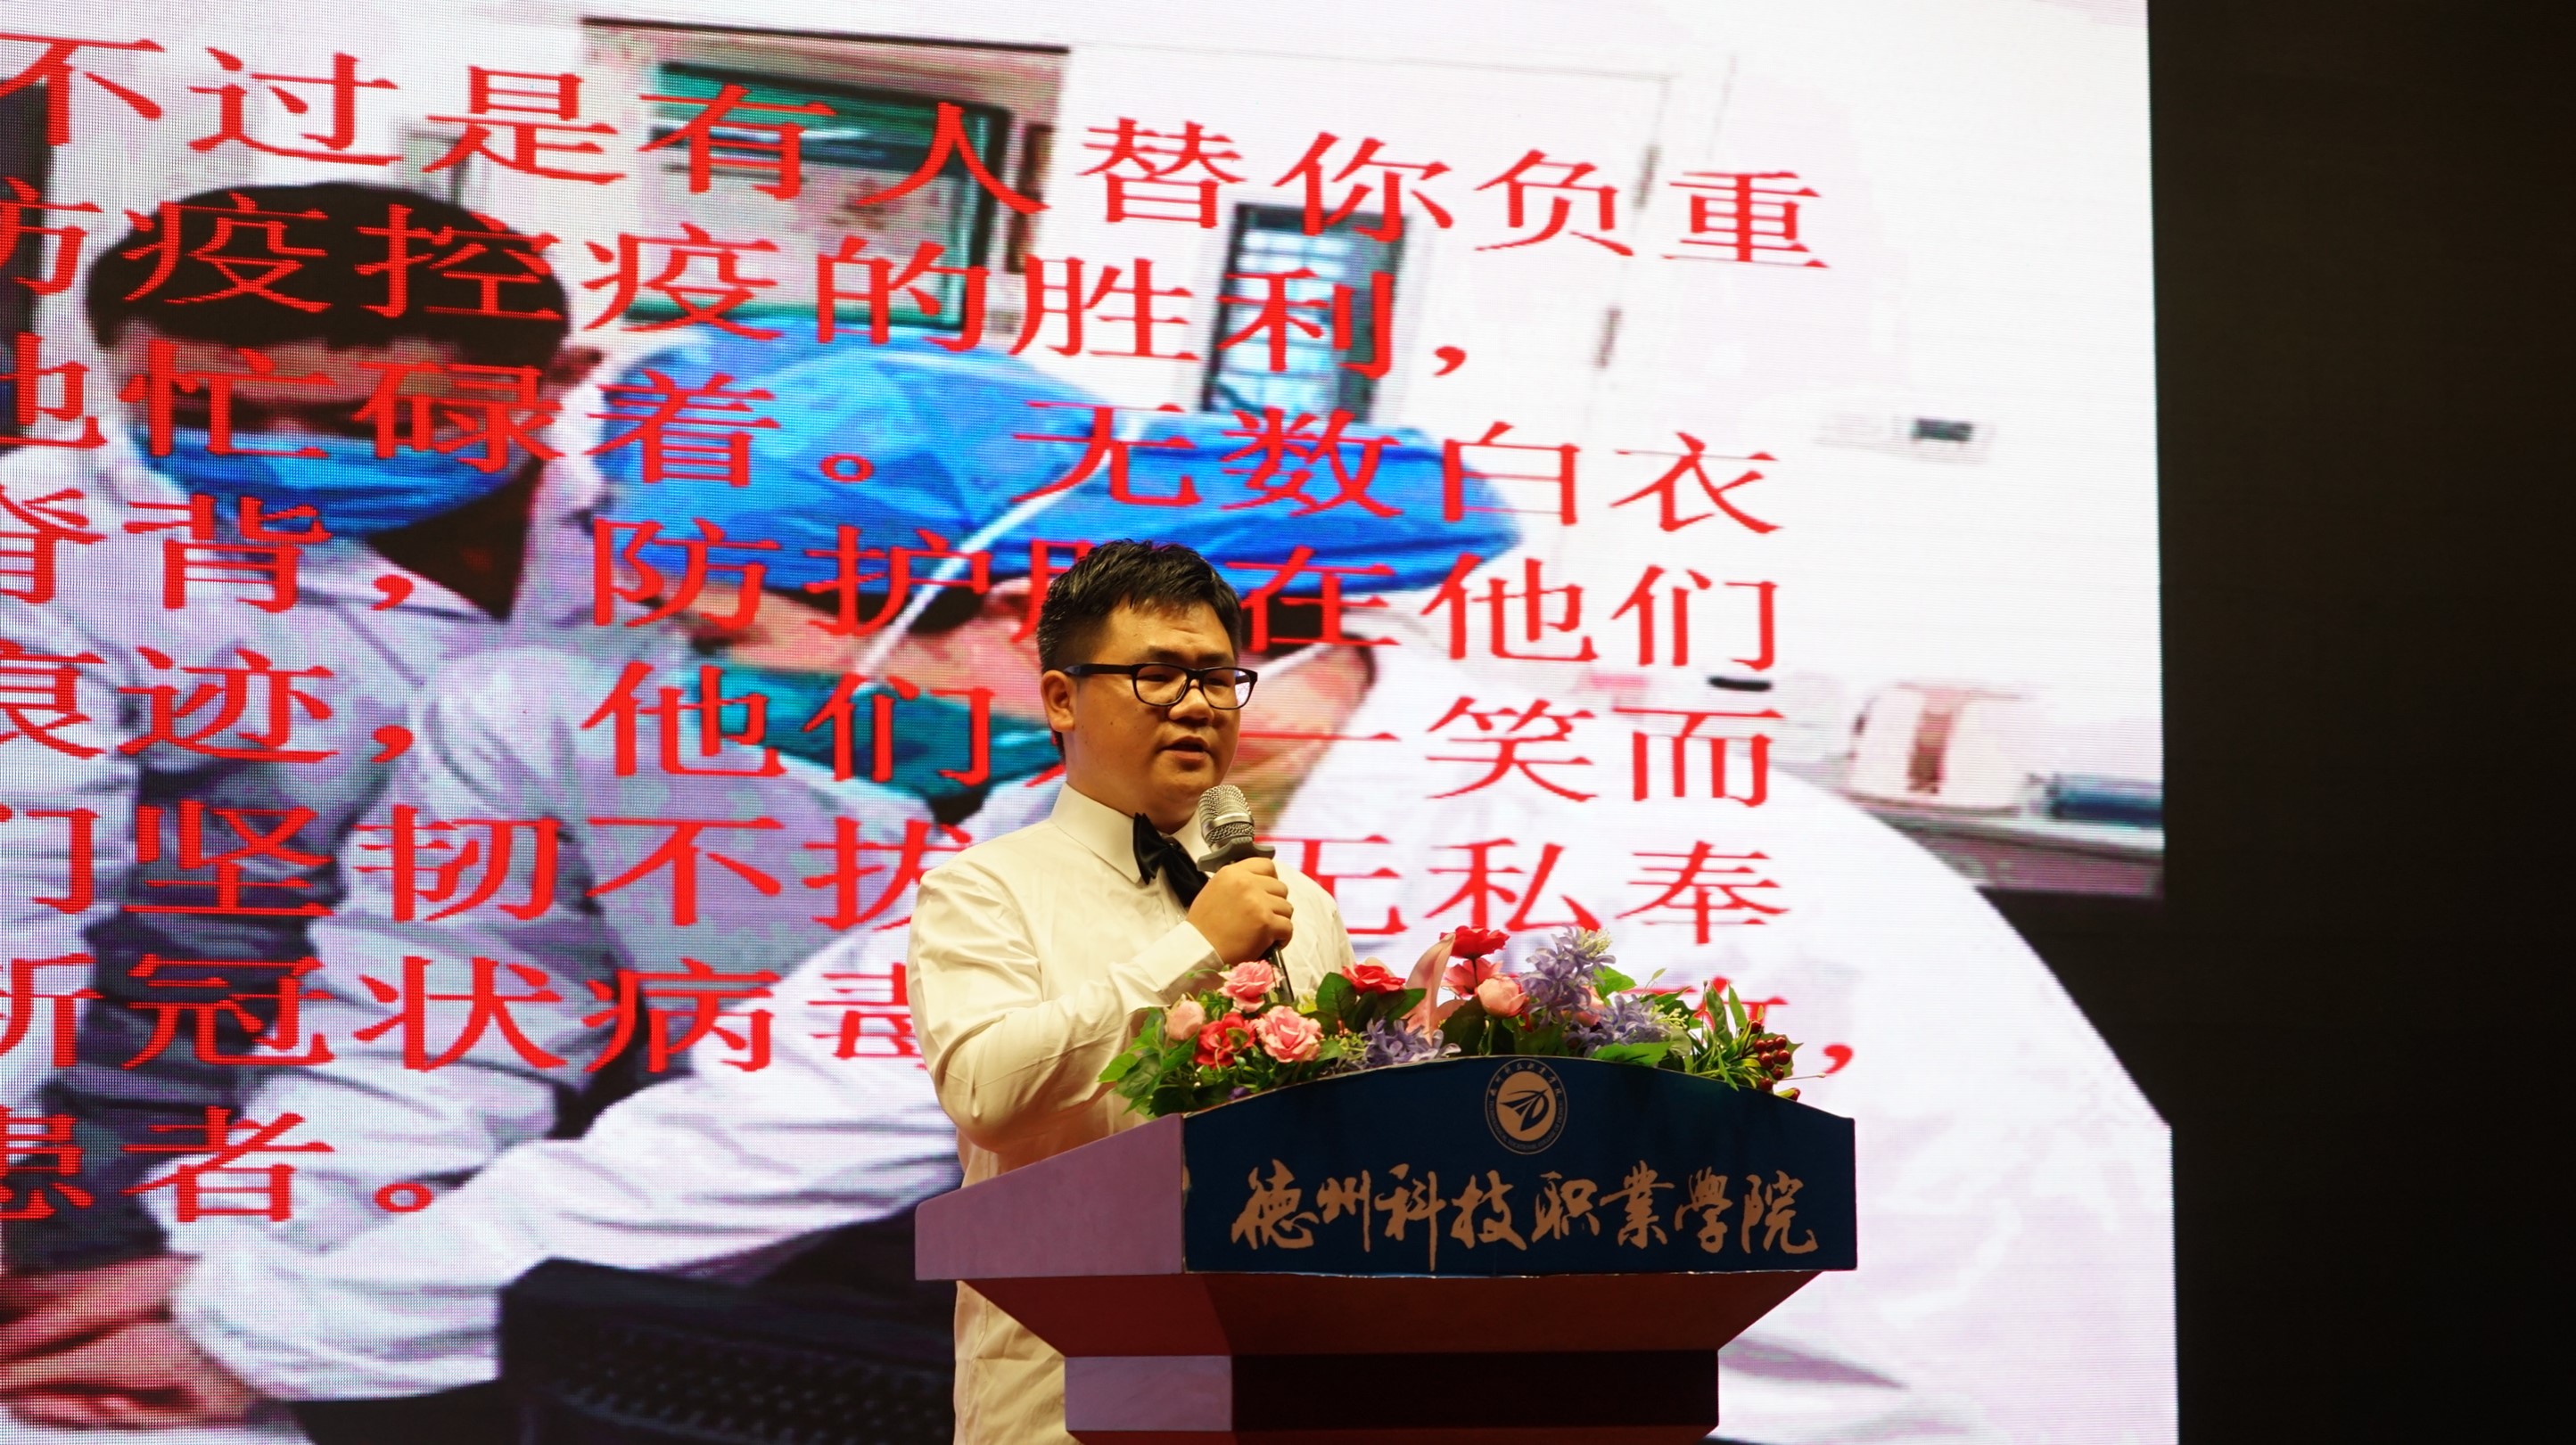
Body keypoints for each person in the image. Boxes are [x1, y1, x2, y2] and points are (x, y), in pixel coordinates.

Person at [0, 333, 2170, 1443]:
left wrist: (267, 1325)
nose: (749, 709)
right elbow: (774, 1109)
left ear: (1002, 617)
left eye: (770, 650)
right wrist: (258, 1302)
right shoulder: (1210, 777)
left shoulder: (1516, 860)